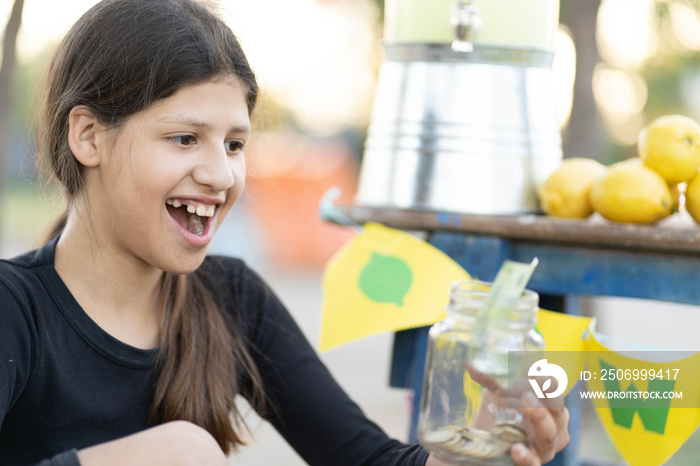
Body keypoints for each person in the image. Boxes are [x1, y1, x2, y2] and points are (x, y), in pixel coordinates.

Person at [0, 0, 570, 465]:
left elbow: (369, 461)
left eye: (235, 144)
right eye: (183, 138)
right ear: (88, 137)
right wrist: (176, 453)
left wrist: (485, 445)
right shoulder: (14, 309)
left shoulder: (233, 299)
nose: (221, 175)